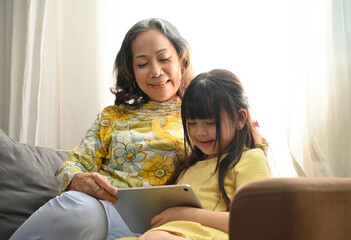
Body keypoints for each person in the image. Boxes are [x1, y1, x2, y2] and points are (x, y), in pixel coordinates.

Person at [10, 18, 194, 240]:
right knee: (79, 208)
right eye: (142, 64)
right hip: (103, 211)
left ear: (181, 59)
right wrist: (77, 178)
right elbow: (72, 164)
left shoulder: (203, 116)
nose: (155, 72)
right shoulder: (112, 116)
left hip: (168, 223)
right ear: (131, 70)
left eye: (164, 59)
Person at [117, 69, 271, 240]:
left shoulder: (250, 159)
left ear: (240, 119)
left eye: (210, 123)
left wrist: (186, 214)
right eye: (192, 123)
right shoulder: (189, 167)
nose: (200, 133)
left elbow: (256, 222)